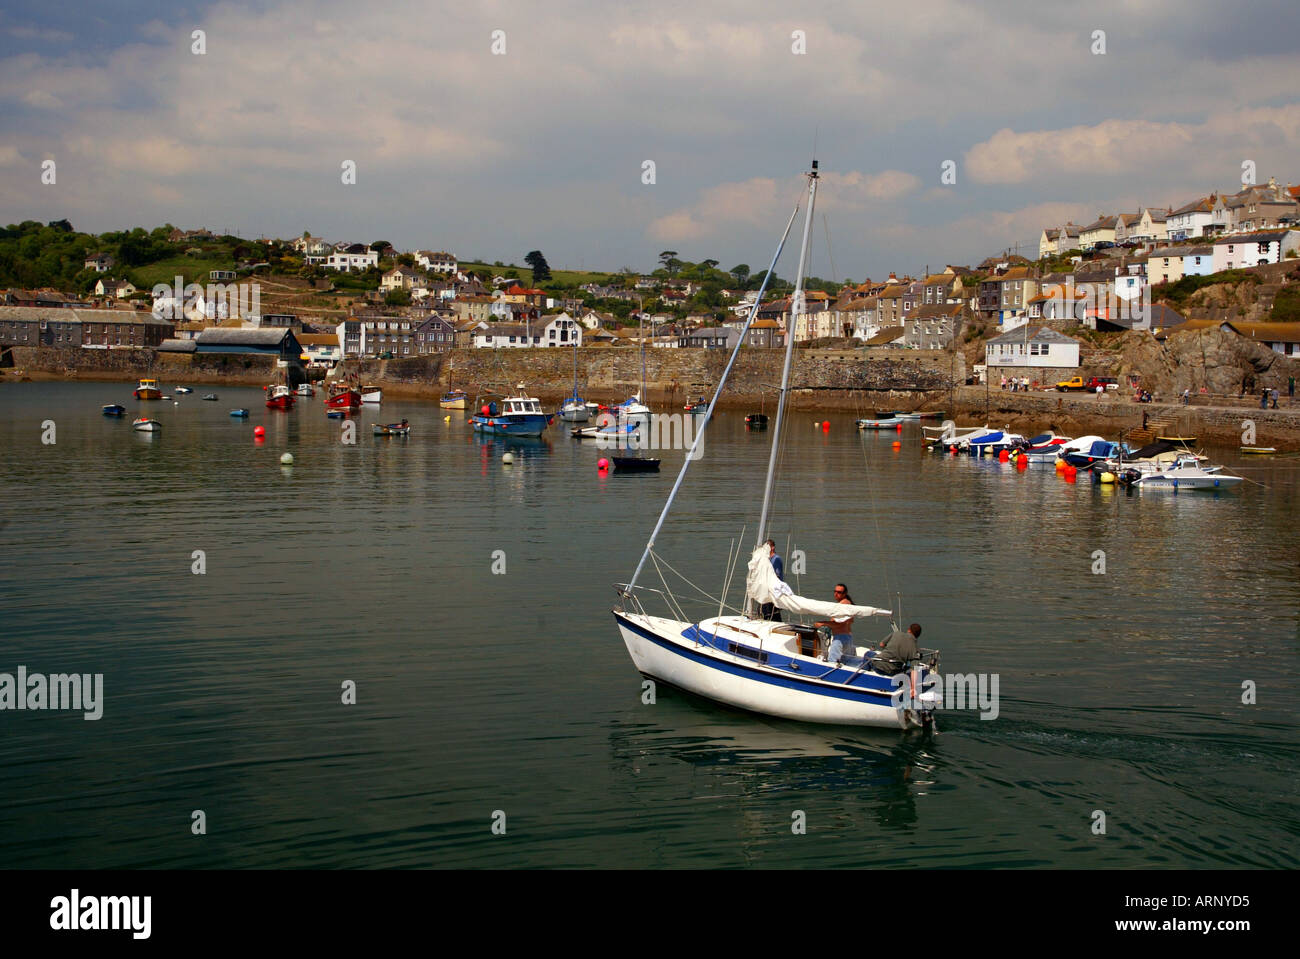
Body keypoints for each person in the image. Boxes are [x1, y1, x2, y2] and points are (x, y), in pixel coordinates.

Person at [815, 584, 856, 664]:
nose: (836, 594)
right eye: (835, 591)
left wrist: (822, 623)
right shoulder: (849, 605)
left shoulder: (842, 605)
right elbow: (849, 622)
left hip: (839, 639)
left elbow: (839, 624)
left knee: (832, 663)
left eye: (839, 592)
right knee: (845, 663)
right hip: (848, 638)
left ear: (845, 593)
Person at [760, 539, 784, 622]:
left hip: (772, 592)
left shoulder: (776, 559)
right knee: (764, 612)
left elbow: (776, 575)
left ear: (772, 547)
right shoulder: (767, 559)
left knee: (771, 614)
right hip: (765, 592)